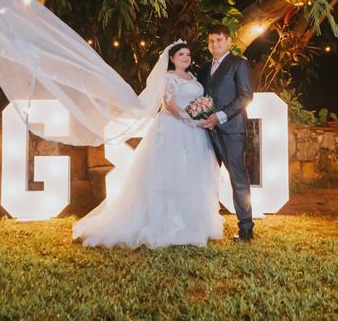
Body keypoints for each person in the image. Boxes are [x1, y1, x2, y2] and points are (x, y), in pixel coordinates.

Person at [72, 41, 224, 249]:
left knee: (191, 173)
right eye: (181, 54)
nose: (186, 57)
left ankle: (193, 222)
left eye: (188, 54)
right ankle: (165, 224)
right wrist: (191, 120)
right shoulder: (169, 78)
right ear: (172, 58)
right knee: (168, 174)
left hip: (195, 133)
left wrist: (200, 113)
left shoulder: (194, 78)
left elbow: (197, 102)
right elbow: (169, 105)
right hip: (173, 129)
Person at [197, 25, 255, 241]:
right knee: (206, 178)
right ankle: (206, 223)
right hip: (207, 133)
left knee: (238, 178)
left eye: (219, 40)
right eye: (211, 41)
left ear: (229, 41)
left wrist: (220, 116)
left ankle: (246, 227)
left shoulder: (238, 64)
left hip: (231, 130)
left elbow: (246, 96)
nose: (215, 44)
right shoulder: (203, 69)